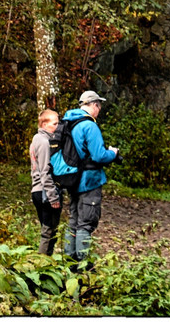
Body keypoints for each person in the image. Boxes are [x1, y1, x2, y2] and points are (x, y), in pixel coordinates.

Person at [52, 89, 119, 267]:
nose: (100, 109)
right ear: (93, 105)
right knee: (86, 223)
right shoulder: (89, 125)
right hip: (89, 181)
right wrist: (112, 153)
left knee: (73, 221)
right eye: (99, 105)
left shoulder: (69, 121)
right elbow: (98, 156)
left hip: (72, 180)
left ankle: (69, 262)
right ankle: (83, 264)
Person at [27, 109, 64, 256]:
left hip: (38, 190)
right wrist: (52, 196)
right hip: (44, 191)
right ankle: (41, 265)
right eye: (54, 123)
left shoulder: (37, 140)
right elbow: (45, 171)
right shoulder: (43, 141)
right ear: (44, 124)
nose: (57, 126)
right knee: (48, 232)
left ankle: (46, 264)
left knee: (49, 231)